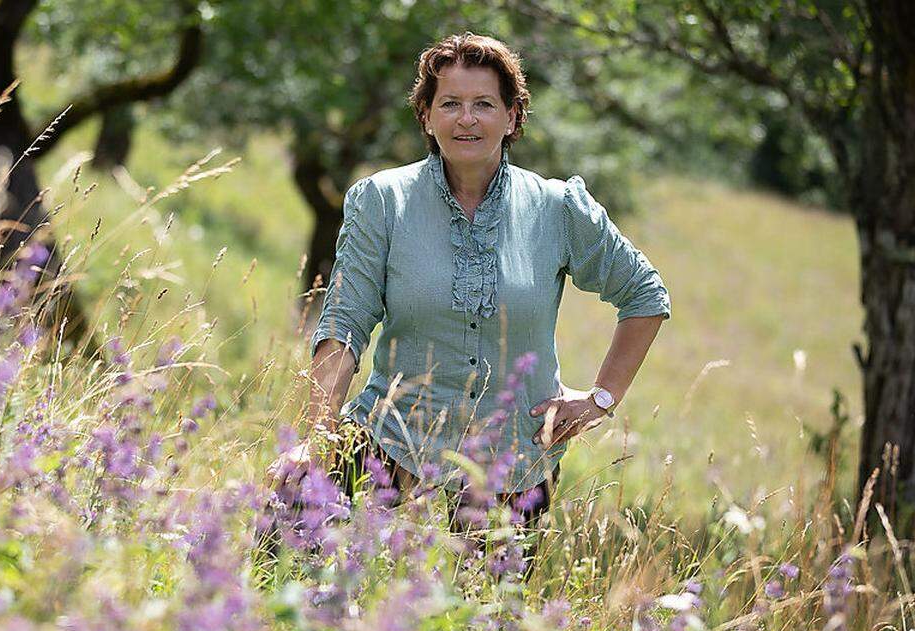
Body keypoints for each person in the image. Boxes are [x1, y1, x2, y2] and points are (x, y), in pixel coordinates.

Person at [271, 32, 670, 550]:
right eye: (450, 104)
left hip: (512, 470)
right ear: (427, 116)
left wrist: (600, 398)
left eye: (484, 104)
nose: (467, 119)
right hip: (389, 448)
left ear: (512, 116)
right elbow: (343, 327)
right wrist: (316, 438)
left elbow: (644, 295)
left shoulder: (557, 209)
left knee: (481, 626)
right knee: (294, 570)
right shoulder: (382, 202)